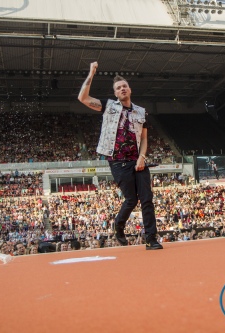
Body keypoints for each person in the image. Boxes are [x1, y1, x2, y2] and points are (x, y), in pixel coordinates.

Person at [78, 61, 162, 250]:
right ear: (115, 93)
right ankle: (119, 224)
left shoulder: (141, 111)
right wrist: (91, 73)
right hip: (117, 161)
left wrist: (142, 157)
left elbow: (144, 138)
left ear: (129, 89)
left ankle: (151, 238)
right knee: (131, 199)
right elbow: (82, 97)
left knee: (147, 198)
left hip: (137, 160)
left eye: (124, 86)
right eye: (118, 87)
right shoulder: (108, 106)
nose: (122, 89)